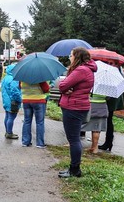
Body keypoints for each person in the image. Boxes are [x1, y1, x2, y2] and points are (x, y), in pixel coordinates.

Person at [57, 47, 97, 178]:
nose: (70, 57)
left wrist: (66, 88)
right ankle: (74, 168)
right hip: (78, 105)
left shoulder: (81, 70)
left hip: (73, 107)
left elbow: (62, 85)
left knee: (73, 139)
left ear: (77, 56)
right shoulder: (88, 69)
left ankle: (75, 169)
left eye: (71, 55)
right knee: (74, 138)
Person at [20, 79, 50, 148]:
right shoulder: (39, 77)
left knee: (27, 121)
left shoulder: (22, 77)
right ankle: (40, 143)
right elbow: (46, 89)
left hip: (26, 101)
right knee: (40, 122)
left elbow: (20, 86)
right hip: (39, 101)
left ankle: (25, 142)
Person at [1, 63, 22, 138]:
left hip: (6, 101)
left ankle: (7, 132)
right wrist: (20, 99)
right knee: (11, 117)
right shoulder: (14, 79)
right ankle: (9, 133)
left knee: (7, 116)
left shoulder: (6, 78)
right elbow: (15, 91)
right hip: (12, 102)